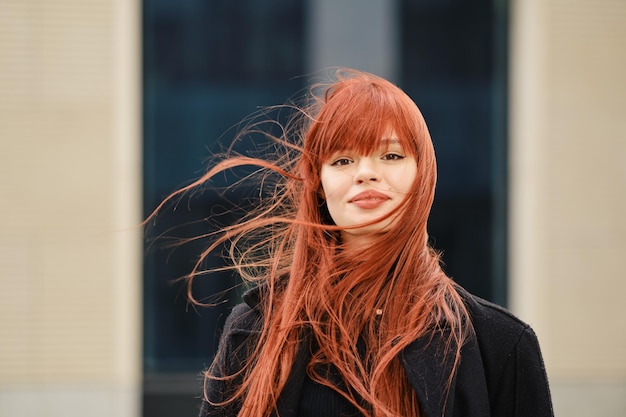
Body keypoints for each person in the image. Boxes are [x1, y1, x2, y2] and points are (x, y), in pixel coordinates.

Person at [151, 69, 553, 417]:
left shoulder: (499, 346)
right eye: (343, 160)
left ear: (422, 175)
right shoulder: (257, 328)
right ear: (320, 185)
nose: (366, 173)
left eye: (390, 156)